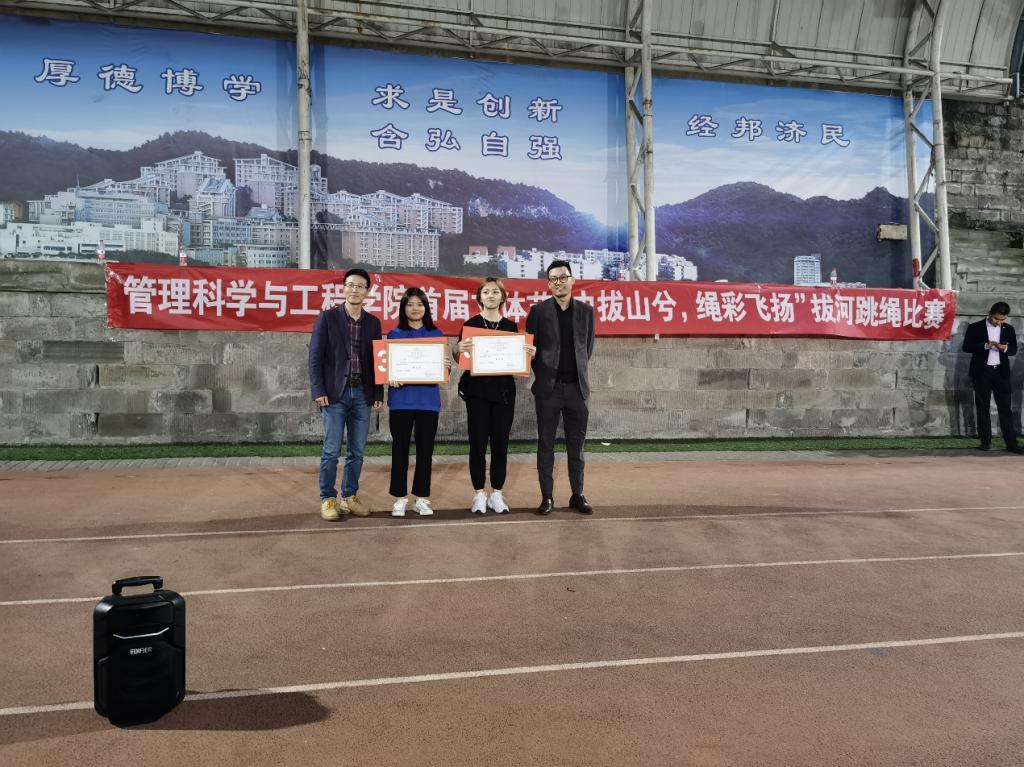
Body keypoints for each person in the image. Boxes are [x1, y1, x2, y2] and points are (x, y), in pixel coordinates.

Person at [309, 268, 384, 520]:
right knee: (331, 450)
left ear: (367, 291)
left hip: (362, 394)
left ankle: (349, 496)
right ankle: (328, 499)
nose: (355, 290)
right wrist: (318, 389)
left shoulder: (373, 323)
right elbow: (315, 357)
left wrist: (378, 392)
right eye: (350, 285)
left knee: (357, 451)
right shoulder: (327, 318)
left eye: (360, 286)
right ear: (343, 288)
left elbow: (376, 361)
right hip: (334, 395)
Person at [455, 277, 535, 514]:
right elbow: (461, 359)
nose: (491, 295)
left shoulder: (511, 328)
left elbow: (518, 361)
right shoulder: (470, 325)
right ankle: (479, 493)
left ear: (503, 298)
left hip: (503, 394)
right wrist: (457, 349)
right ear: (480, 297)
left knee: (501, 443)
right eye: (486, 292)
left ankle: (497, 493)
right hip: (477, 393)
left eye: (495, 292)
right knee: (477, 444)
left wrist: (529, 354)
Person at [525, 260, 596, 515]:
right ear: (548, 284)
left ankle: (578, 494)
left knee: (577, 445)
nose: (559, 282)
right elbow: (530, 351)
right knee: (546, 445)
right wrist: (545, 376)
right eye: (554, 279)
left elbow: (587, 348)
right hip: (548, 391)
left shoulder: (586, 312)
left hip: (577, 389)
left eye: (563, 277)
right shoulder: (538, 312)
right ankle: (547, 497)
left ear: (572, 280)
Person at [387, 288, 451, 517]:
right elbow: (385, 367)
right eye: (410, 304)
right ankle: (400, 498)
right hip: (400, 402)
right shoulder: (394, 335)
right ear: (403, 308)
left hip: (427, 402)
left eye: (419, 304)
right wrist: (389, 376)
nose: (415, 308)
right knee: (399, 451)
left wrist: (446, 367)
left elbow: (445, 372)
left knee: (425, 452)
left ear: (426, 308)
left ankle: (422, 498)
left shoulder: (436, 334)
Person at [962, 301, 1022, 454]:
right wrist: (985, 346)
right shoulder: (975, 327)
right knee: (983, 408)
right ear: (990, 314)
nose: (999, 322)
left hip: (1001, 373)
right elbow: (966, 347)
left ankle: (1011, 444)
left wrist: (1004, 348)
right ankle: (985, 442)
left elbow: (1013, 350)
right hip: (982, 372)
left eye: (1002, 320)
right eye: (996, 319)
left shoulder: (1009, 329)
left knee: (1005, 409)